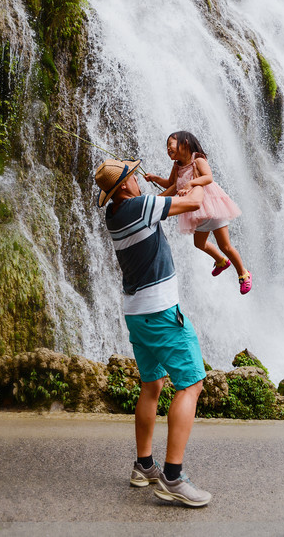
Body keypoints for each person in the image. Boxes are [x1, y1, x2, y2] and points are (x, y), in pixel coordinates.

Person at [95, 157, 211, 507]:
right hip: (161, 313)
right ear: (127, 185)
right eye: (132, 175)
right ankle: (172, 478)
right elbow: (193, 202)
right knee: (191, 383)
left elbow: (166, 197)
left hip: (136, 314)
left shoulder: (115, 215)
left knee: (152, 384)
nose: (137, 179)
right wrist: (202, 179)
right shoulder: (141, 206)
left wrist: (176, 182)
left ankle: (144, 466)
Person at [144, 131, 252, 295]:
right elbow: (171, 185)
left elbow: (208, 177)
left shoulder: (198, 160)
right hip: (197, 212)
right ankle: (221, 261)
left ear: (185, 143)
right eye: (166, 147)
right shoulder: (177, 166)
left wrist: (190, 184)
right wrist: (155, 185)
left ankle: (243, 273)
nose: (167, 149)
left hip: (213, 207)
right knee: (199, 244)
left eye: (170, 144)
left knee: (225, 245)